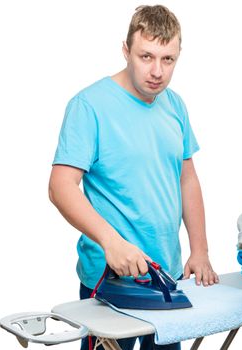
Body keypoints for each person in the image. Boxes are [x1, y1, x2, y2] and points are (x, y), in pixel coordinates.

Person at [48, 5, 218, 350]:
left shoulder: (175, 105)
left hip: (166, 275)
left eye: (168, 59)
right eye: (146, 56)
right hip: (110, 278)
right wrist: (111, 242)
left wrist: (199, 250)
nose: (157, 71)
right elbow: (60, 187)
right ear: (126, 51)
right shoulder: (89, 105)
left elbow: (187, 179)